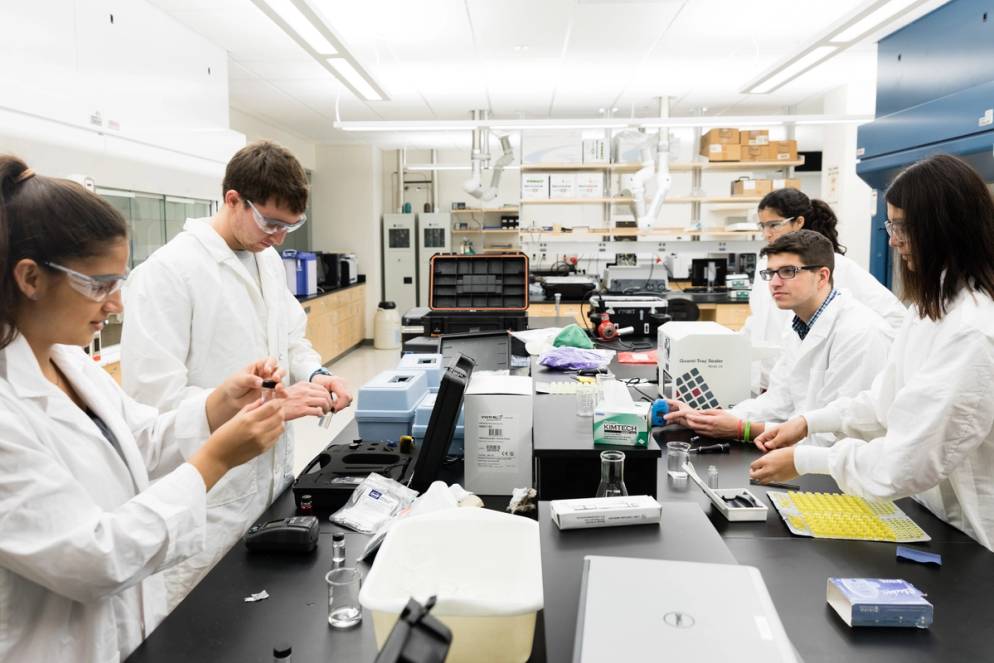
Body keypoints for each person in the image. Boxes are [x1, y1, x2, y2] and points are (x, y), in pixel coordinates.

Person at [0, 155, 288, 660]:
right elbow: (94, 557)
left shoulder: (70, 364)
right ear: (30, 278)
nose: (116, 305)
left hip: (131, 632)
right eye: (97, 285)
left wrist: (220, 405)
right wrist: (215, 460)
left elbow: (141, 440)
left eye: (118, 282)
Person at [120, 140, 354, 607]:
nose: (281, 238)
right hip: (210, 502)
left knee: (264, 616)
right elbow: (152, 406)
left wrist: (317, 372)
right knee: (205, 626)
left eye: (292, 226)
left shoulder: (266, 258)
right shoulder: (168, 273)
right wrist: (250, 406)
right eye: (271, 222)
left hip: (271, 482)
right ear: (232, 200)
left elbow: (290, 337)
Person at [750, 154, 994, 552]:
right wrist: (809, 422)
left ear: (943, 228)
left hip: (973, 539)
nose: (893, 240)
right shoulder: (930, 309)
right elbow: (885, 401)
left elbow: (905, 462)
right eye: (891, 225)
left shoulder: (971, 329)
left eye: (902, 226)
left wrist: (807, 460)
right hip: (931, 514)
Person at [665, 230, 893, 445]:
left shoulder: (859, 333)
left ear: (822, 276)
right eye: (771, 273)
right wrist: (709, 418)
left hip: (842, 473)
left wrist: (742, 429)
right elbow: (779, 401)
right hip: (806, 456)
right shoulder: (798, 327)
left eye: (788, 271)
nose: (774, 282)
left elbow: (835, 436)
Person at [743, 188, 906, 390]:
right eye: (763, 226)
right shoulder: (764, 265)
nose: (767, 233)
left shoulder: (834, 265)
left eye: (774, 225)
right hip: (770, 383)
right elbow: (759, 318)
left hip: (812, 384)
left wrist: (873, 369)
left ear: (799, 222)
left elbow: (895, 317)